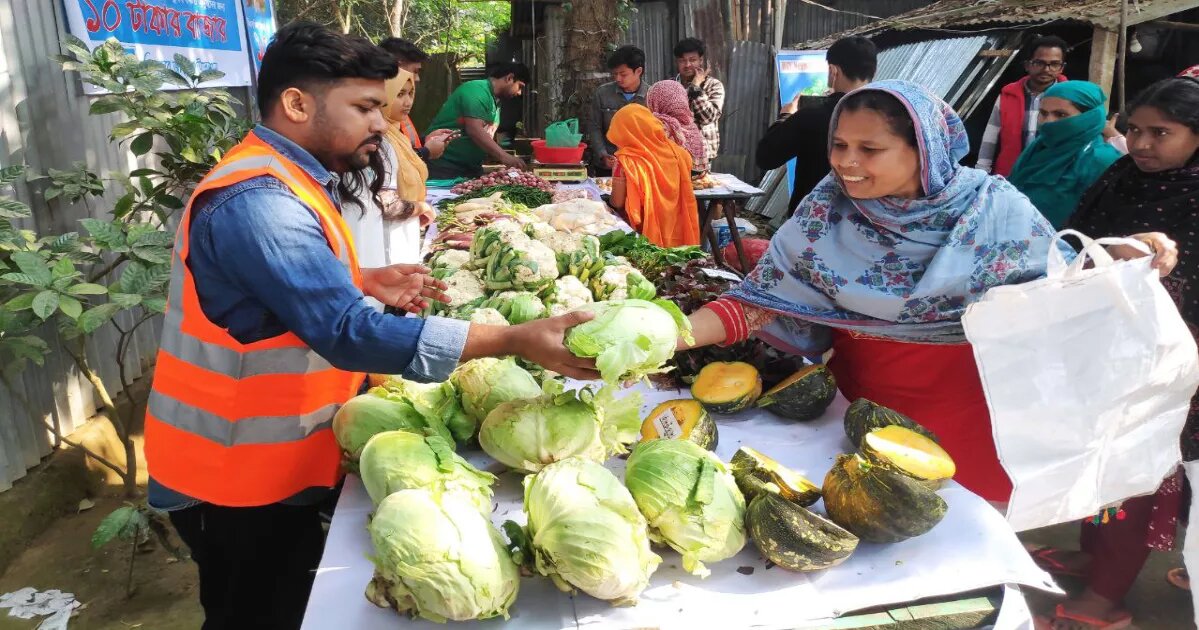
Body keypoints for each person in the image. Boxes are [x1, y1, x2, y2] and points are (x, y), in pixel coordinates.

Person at [144, 23, 598, 629]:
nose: (382, 125)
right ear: (297, 103)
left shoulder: (289, 178)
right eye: (364, 108)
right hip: (233, 479)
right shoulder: (258, 200)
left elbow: (273, 298)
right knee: (252, 614)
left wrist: (360, 278)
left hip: (281, 464)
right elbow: (346, 332)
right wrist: (511, 339)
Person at [676, 81, 1177, 505]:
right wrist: (668, 334)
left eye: (870, 150)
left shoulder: (991, 207)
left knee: (963, 521)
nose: (846, 163)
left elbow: (1062, 290)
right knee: (871, 518)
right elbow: (763, 301)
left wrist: (1124, 256)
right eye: (840, 145)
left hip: (972, 405)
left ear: (925, 148)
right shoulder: (827, 208)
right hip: (860, 399)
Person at [1030, 76, 1199, 630]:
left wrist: (1155, 264)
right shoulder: (1122, 174)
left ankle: (1107, 594)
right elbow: (1078, 238)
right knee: (1095, 461)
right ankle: (1093, 555)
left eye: (1161, 133)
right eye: (1135, 131)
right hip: (1101, 349)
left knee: (1136, 473)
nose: (1143, 143)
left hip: (1164, 366)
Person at [756, 36, 876, 213]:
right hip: (866, 220)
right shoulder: (888, 118)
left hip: (812, 221)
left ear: (833, 71)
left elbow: (766, 156)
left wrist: (785, 116)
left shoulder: (812, 117)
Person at [344, 68, 435, 301]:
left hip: (381, 256)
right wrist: (420, 208)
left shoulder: (394, 134)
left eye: (410, 94)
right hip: (377, 256)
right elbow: (390, 205)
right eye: (399, 94)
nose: (407, 102)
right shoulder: (377, 143)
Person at [1007, 81, 1123, 228]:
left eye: (1060, 114)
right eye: (1043, 113)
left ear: (1090, 117)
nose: (1048, 122)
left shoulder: (1102, 161)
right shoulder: (1039, 147)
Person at [606, 103, 701, 248]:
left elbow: (617, 202)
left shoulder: (626, 161)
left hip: (642, 234)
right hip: (678, 230)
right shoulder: (680, 154)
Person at [976, 35, 1069, 176]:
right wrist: (981, 171)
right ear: (1027, 65)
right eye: (1039, 63)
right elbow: (990, 136)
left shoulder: (1071, 97)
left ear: (1062, 67)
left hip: (1052, 177)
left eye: (1054, 64)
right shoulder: (1007, 96)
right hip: (1010, 176)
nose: (1047, 69)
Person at [425, 61, 529, 179]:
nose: (519, 92)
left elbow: (487, 134)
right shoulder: (476, 91)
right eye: (520, 86)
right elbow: (474, 130)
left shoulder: (496, 101)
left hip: (471, 168)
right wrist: (504, 156)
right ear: (509, 78)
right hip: (444, 166)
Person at [589, 45, 649, 174]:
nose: (617, 79)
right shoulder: (603, 93)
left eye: (623, 74)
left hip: (641, 166)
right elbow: (594, 127)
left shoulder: (652, 96)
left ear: (638, 71)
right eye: (615, 74)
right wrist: (603, 154)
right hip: (609, 164)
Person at [674, 38, 725, 165]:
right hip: (674, 152)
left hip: (703, 153)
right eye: (682, 61)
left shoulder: (714, 85)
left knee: (701, 184)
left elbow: (709, 117)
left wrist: (696, 88)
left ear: (700, 61)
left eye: (692, 60)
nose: (687, 65)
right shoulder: (670, 86)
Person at [646, 80, 707, 172]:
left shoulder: (657, 127)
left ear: (654, 101)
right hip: (693, 183)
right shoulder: (693, 128)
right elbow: (701, 171)